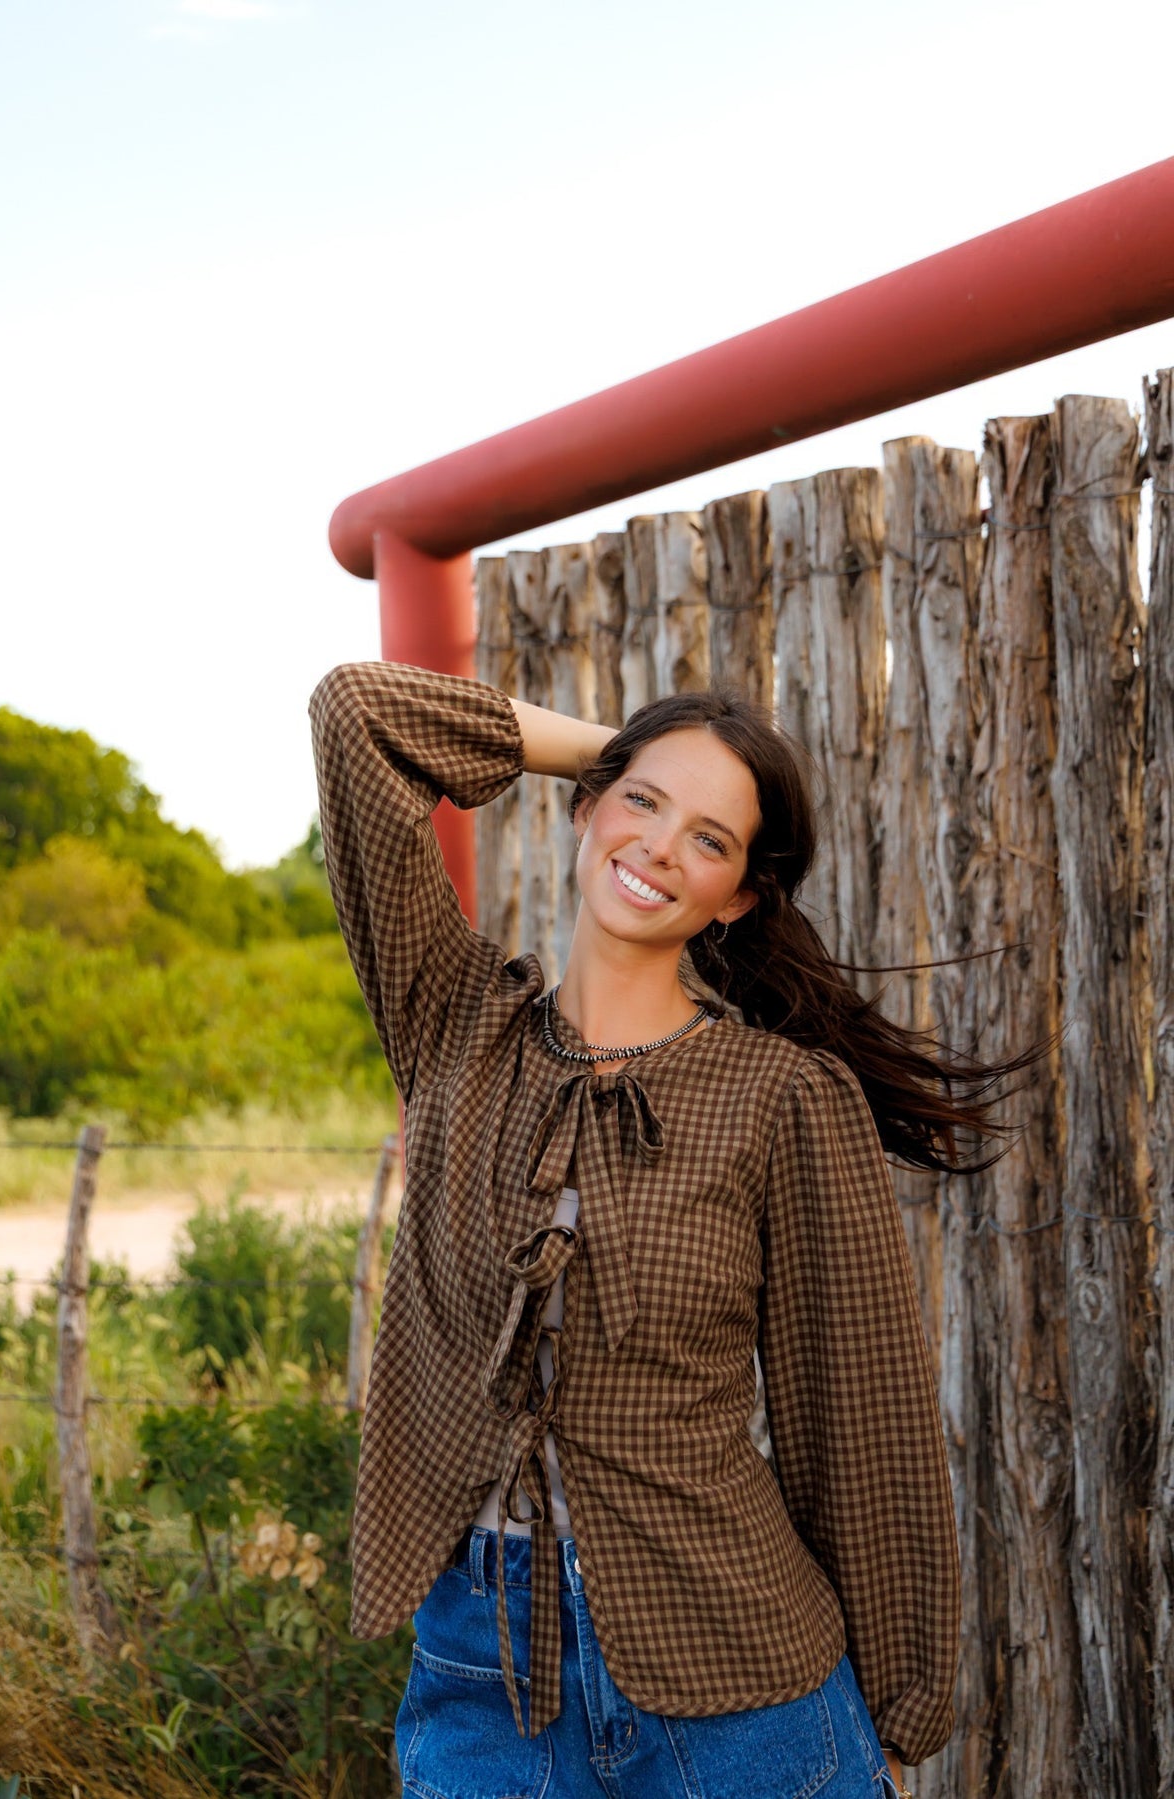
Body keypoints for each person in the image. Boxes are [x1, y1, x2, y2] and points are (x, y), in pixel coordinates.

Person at [310, 659, 1042, 1799]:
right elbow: (361, 713)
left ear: (739, 894)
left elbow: (860, 1414)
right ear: (586, 805)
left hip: (742, 1680)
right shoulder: (453, 1023)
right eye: (641, 802)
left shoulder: (785, 1095)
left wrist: (895, 1708)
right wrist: (627, 748)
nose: (657, 848)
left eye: (711, 840)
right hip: (486, 1672)